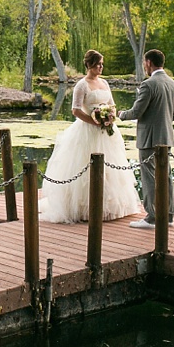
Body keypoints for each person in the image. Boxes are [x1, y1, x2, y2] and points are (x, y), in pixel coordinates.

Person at [39, 50, 143, 223]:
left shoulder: (104, 83)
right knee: (85, 166)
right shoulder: (82, 85)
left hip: (107, 131)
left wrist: (109, 116)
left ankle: (110, 207)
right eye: (98, 64)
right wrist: (93, 121)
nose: (101, 67)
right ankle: (84, 207)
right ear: (89, 65)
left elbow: (112, 105)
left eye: (102, 64)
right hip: (87, 131)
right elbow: (76, 110)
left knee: (111, 167)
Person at [118, 49, 174, 229]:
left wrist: (121, 114)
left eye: (145, 63)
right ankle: (169, 215)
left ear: (149, 63)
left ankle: (152, 217)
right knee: (166, 176)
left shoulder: (148, 84)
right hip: (166, 137)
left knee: (150, 177)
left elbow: (137, 112)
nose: (144, 66)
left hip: (149, 138)